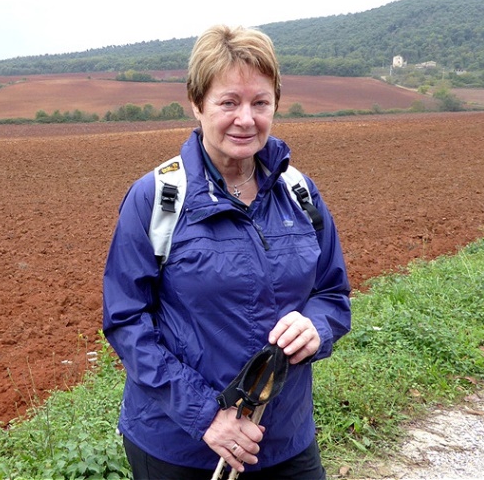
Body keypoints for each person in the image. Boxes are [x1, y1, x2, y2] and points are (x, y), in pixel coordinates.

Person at [102, 24, 352, 479]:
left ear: (276, 103)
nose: (246, 118)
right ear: (197, 104)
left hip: (284, 443)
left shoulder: (298, 193)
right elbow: (126, 319)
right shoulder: (157, 198)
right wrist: (206, 417)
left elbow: (333, 294)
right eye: (228, 102)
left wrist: (317, 326)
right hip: (181, 448)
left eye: (260, 102)